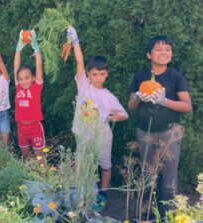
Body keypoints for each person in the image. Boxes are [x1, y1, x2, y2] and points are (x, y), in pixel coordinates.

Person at [128, 35, 192, 217]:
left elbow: (187, 106)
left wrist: (164, 101)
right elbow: (131, 106)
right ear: (149, 54)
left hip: (170, 132)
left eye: (167, 49)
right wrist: (137, 98)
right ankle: (145, 215)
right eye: (158, 49)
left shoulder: (175, 76)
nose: (163, 53)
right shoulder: (141, 76)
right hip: (145, 132)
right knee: (148, 176)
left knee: (169, 179)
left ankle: (170, 216)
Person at [68, 27, 128, 211]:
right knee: (81, 164)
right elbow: (79, 61)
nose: (98, 78)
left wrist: (107, 117)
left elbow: (124, 115)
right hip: (84, 135)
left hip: (102, 137)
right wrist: (75, 41)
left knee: (105, 166)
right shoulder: (84, 85)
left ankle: (102, 195)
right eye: (95, 74)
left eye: (102, 74)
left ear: (107, 74)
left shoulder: (108, 96)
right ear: (89, 74)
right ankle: (82, 193)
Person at [14, 30, 45, 162]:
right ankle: (28, 181)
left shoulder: (36, 87)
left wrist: (36, 47)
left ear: (33, 78)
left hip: (35, 128)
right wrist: (18, 48)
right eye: (21, 79)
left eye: (27, 78)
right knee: (25, 158)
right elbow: (16, 67)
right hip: (22, 129)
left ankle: (44, 181)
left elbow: (38, 65)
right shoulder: (18, 87)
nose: (24, 81)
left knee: (40, 159)